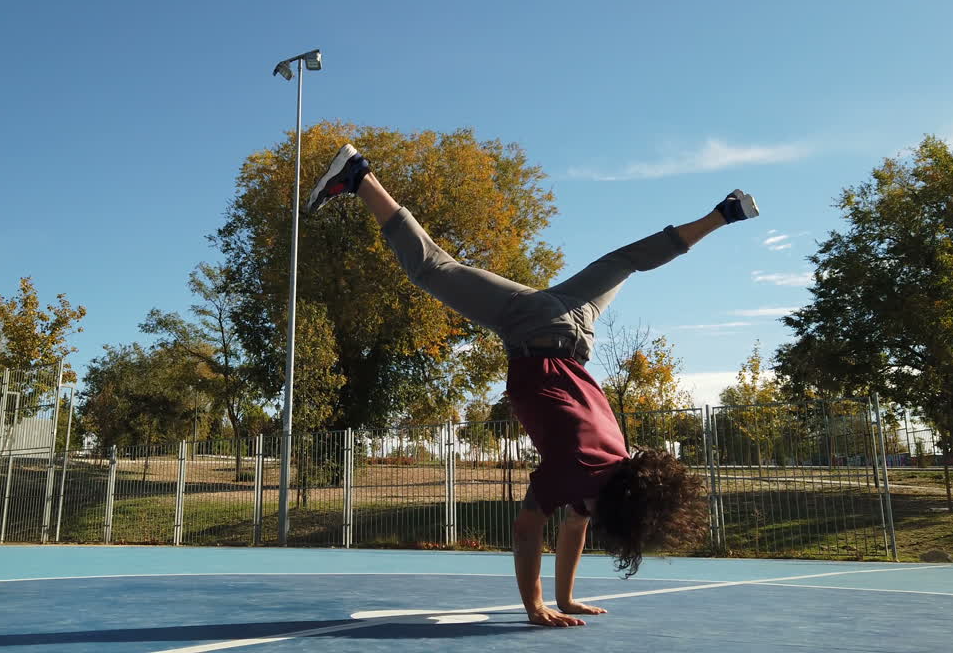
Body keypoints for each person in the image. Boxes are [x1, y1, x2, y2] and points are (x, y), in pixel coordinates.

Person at [306, 143, 760, 627]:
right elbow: (527, 532)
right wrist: (535, 606)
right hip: (530, 330)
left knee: (627, 261)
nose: (589, 519)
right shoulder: (576, 472)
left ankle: (724, 213)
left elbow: (575, 528)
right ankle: (359, 177)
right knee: (433, 267)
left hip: (577, 322)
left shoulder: (616, 465)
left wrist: (566, 599)